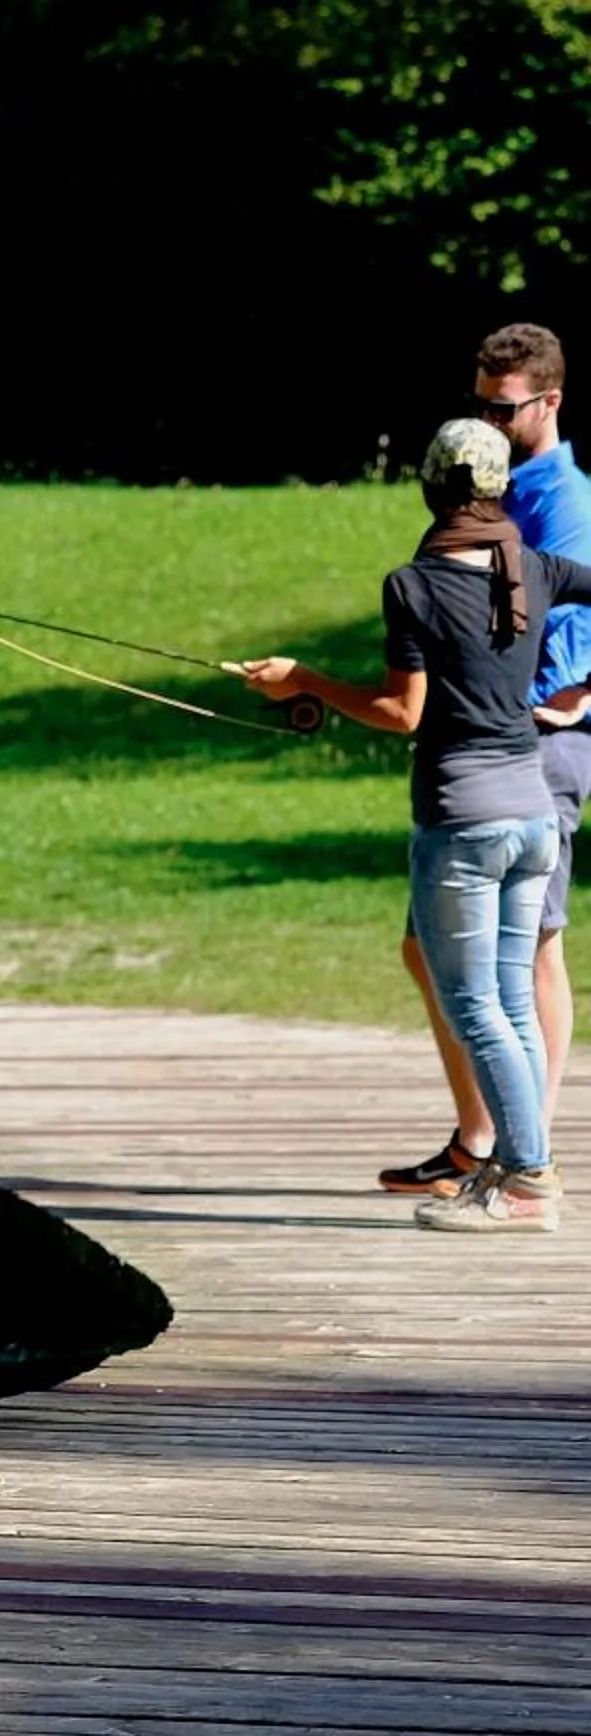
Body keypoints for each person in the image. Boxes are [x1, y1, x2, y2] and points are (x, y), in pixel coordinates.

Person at [243, 418, 591, 1232]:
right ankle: (514, 1173)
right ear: (500, 489)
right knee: (508, 1000)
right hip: (532, 817)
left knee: (474, 1004)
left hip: (463, 822)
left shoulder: (415, 584)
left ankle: (530, 1179)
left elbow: (404, 713)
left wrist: (308, 679)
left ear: (433, 488)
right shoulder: (533, 567)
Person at [382, 323, 591, 1196]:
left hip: (538, 743)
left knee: (531, 957)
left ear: (548, 402)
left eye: (502, 409)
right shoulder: (499, 498)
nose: (488, 425)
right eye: (479, 406)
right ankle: (489, 1137)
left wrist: (573, 691)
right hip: (507, 745)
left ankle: (519, 1160)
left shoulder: (559, 501)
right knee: (436, 953)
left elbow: (557, 639)